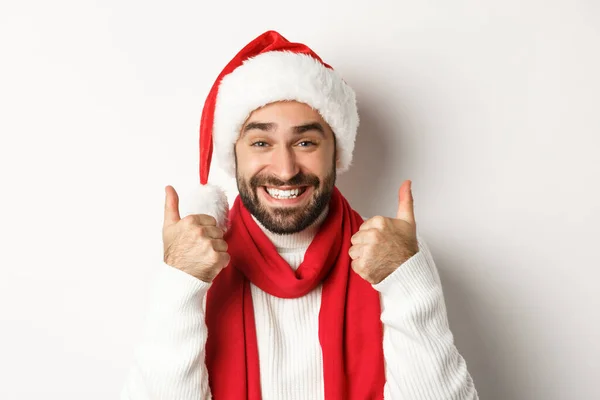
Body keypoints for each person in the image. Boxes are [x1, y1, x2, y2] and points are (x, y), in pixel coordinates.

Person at [120, 30, 478, 399]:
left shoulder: (393, 255)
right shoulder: (194, 258)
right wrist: (181, 281)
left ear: (336, 153)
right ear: (234, 154)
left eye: (305, 142)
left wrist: (405, 280)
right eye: (261, 142)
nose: (286, 169)